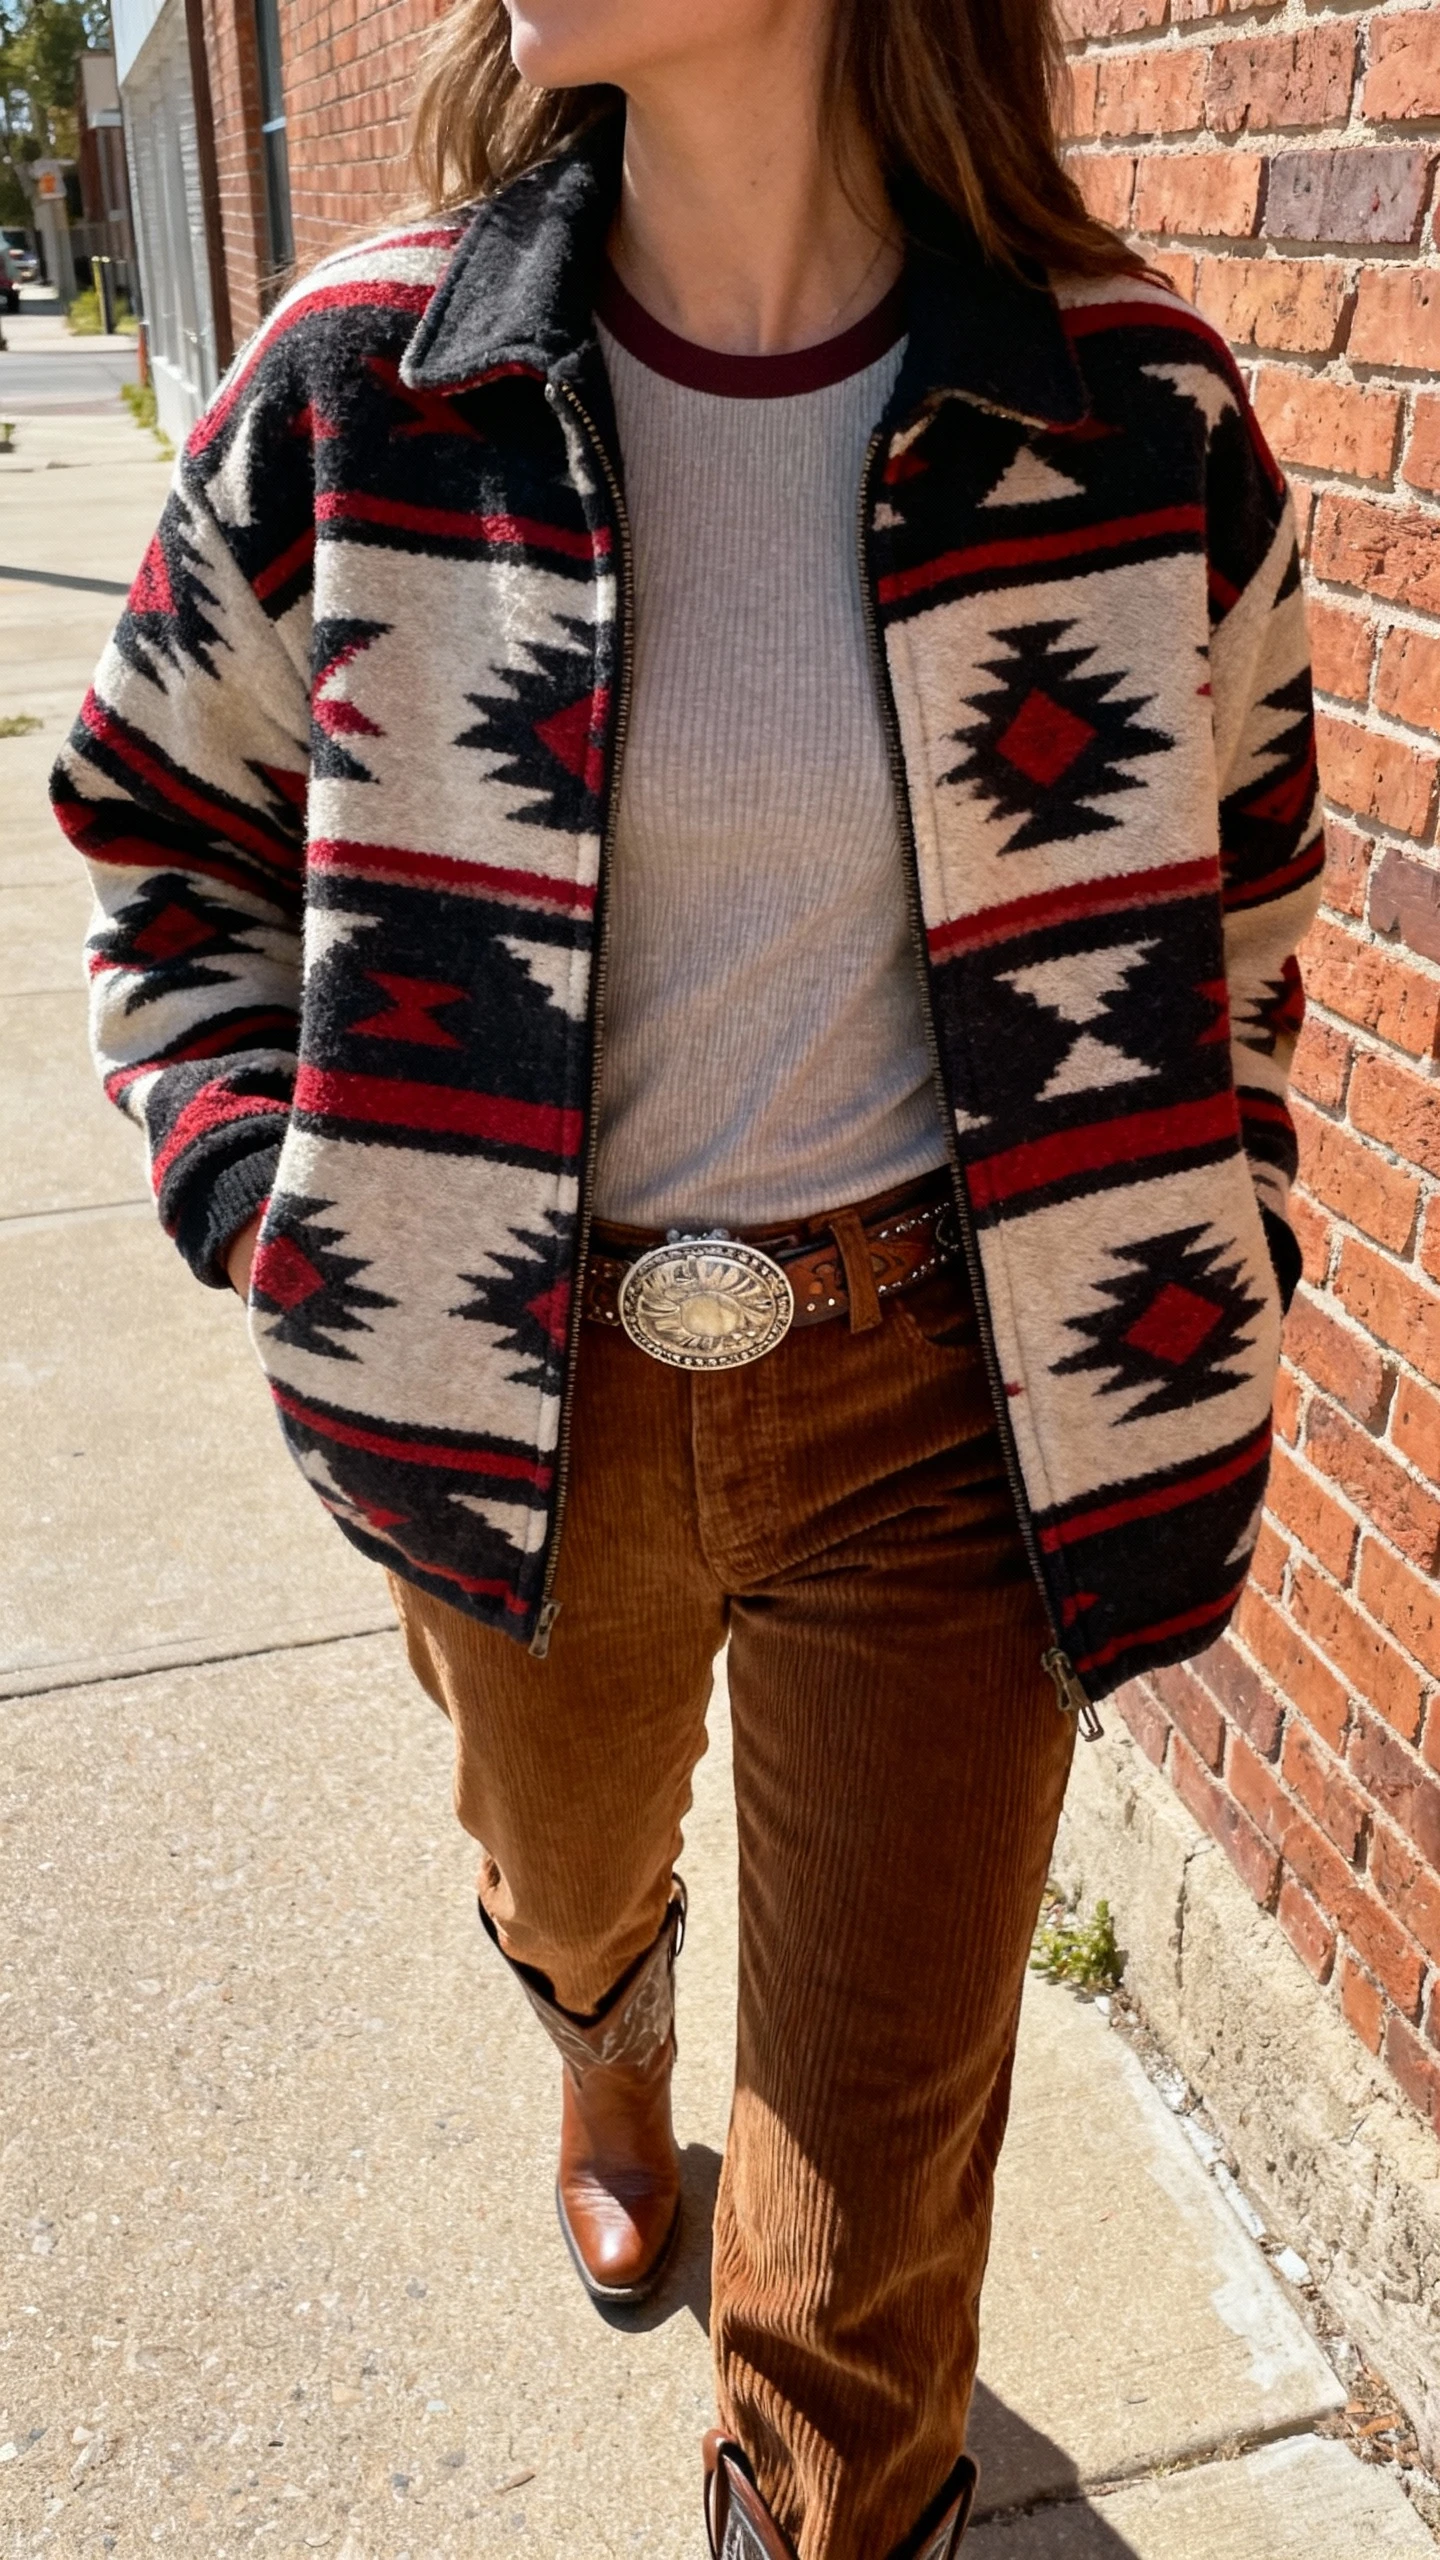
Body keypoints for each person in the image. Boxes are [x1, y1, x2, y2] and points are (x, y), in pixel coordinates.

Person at [52, 0, 1322, 2548]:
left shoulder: (1125, 415)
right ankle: (607, 2033)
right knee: (564, 1864)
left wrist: (1223, 1219)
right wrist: (276, 1212)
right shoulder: (367, 395)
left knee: (867, 2253)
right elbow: (158, 843)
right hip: (511, 1387)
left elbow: (1246, 886)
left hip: (956, 1408)